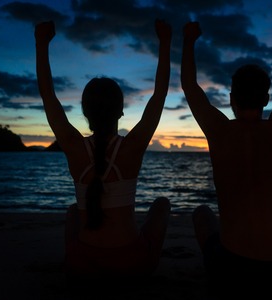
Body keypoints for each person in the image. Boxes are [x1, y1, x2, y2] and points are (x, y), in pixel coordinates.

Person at [35, 19, 172, 285]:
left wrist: (41, 44)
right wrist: (165, 43)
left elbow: (47, 95)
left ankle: (77, 257)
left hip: (81, 267)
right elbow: (159, 95)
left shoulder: (74, 147)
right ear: (121, 111)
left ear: (85, 112)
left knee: (74, 211)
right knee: (162, 205)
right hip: (133, 266)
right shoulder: (131, 147)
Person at [181, 0, 272, 296]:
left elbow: (190, 87)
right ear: (265, 98)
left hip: (231, 268)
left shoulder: (219, 130)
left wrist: (188, 41)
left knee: (200, 214)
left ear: (232, 97)